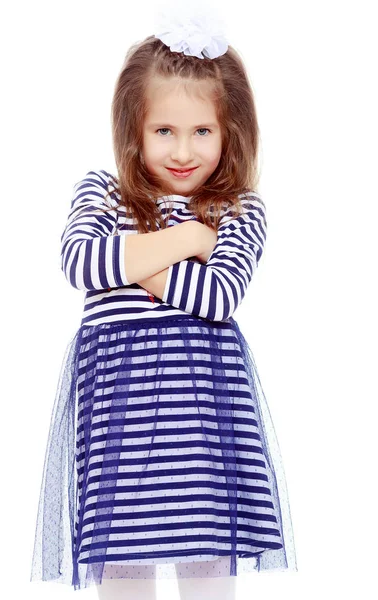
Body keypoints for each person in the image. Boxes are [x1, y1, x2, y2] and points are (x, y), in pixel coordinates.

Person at [30, 5, 297, 598]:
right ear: (134, 130)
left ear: (231, 133)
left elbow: (218, 295)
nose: (183, 150)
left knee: (207, 546)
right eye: (163, 131)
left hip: (200, 411)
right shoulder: (102, 190)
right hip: (117, 406)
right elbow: (80, 263)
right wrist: (185, 240)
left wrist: (130, 262)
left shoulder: (238, 211)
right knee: (122, 552)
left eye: (202, 130)